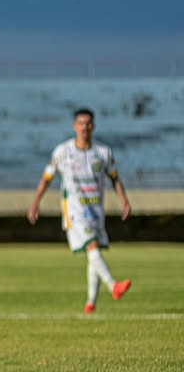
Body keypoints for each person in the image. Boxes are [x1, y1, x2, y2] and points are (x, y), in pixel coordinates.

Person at [27, 108, 132, 314]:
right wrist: (35, 202)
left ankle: (90, 303)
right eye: (81, 123)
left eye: (88, 123)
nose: (84, 127)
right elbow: (46, 179)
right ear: (75, 126)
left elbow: (114, 178)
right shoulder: (62, 152)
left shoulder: (103, 153)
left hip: (95, 209)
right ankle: (113, 286)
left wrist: (124, 201)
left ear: (93, 126)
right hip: (74, 210)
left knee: (94, 253)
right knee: (91, 247)